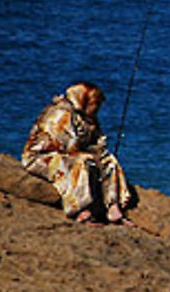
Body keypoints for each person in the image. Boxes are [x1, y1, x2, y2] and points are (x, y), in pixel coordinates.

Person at [22, 81, 134, 225]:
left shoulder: (86, 116)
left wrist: (100, 153)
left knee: (109, 160)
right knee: (80, 162)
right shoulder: (61, 114)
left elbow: (97, 141)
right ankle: (81, 210)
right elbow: (66, 146)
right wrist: (89, 154)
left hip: (73, 153)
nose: (97, 108)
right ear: (84, 100)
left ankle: (113, 206)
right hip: (42, 156)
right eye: (95, 103)